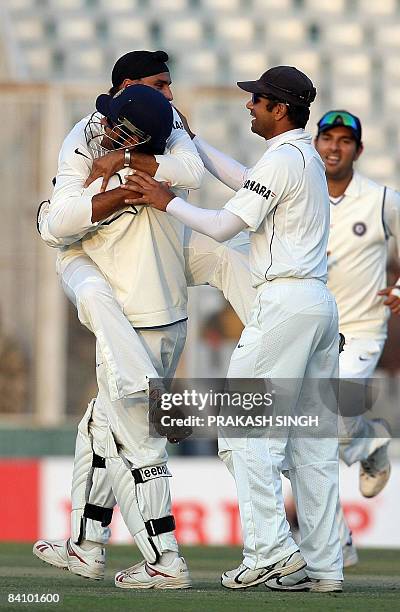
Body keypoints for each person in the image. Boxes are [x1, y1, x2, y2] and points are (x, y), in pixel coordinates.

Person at [33, 50, 254, 589]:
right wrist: (111, 190)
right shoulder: (84, 139)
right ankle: (86, 546)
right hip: (142, 312)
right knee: (99, 427)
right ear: (130, 89)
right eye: (160, 85)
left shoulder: (164, 126)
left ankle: (165, 561)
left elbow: (191, 171)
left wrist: (129, 167)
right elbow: (55, 222)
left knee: (139, 444)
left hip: (147, 320)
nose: (171, 96)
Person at [123, 66, 343, 593]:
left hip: (284, 304)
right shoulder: (302, 158)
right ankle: (325, 566)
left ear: (280, 109)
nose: (250, 106)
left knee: (243, 431)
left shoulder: (284, 159)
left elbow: (225, 225)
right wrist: (193, 143)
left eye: (258, 100)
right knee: (311, 446)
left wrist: (165, 199)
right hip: (317, 304)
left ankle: (270, 552)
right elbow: (244, 180)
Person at [313, 109, 400, 565]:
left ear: (358, 150)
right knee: (303, 438)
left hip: (362, 330)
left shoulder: (383, 199)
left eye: (345, 140)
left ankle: (367, 442)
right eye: (328, 138)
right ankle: (337, 537)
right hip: (310, 334)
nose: (335, 147)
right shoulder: (301, 194)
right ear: (316, 143)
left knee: (332, 420)